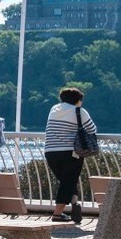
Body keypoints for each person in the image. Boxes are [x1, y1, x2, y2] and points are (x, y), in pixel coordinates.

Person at [44, 87, 95, 223]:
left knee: (66, 181)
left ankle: (74, 203)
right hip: (70, 152)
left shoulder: (54, 109)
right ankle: (57, 214)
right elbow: (92, 129)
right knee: (67, 182)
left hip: (50, 152)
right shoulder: (79, 111)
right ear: (78, 100)